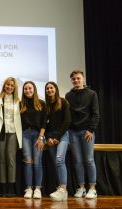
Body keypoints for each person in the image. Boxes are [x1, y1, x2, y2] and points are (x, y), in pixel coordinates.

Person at [65, 70, 100, 199]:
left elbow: (96, 114)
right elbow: (68, 115)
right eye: (74, 79)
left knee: (89, 160)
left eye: (78, 78)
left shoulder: (92, 94)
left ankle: (92, 188)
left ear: (83, 79)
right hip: (73, 132)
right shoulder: (68, 95)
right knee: (78, 161)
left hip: (87, 132)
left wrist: (91, 129)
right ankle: (81, 188)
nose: (76, 81)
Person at [0, 77, 22, 197]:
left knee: (11, 159)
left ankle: (11, 188)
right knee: (1, 159)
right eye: (7, 85)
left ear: (14, 88)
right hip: (1, 132)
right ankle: (3, 188)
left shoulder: (18, 100)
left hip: (13, 132)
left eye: (11, 86)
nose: (9, 87)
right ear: (4, 85)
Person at [44, 81, 71, 201]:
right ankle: (60, 188)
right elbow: (45, 124)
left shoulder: (63, 102)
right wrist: (48, 137)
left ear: (56, 89)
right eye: (47, 88)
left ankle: (63, 189)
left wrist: (57, 138)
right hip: (51, 137)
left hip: (62, 135)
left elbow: (67, 121)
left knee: (60, 159)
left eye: (51, 88)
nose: (49, 90)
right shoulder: (46, 105)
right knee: (56, 163)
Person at [20, 81, 47, 199]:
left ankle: (37, 188)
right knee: (28, 162)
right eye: (25, 89)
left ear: (34, 89)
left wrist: (41, 137)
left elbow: (44, 122)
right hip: (25, 135)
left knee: (37, 162)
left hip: (38, 135)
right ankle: (29, 188)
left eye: (30, 88)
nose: (28, 90)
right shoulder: (21, 104)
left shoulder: (41, 103)